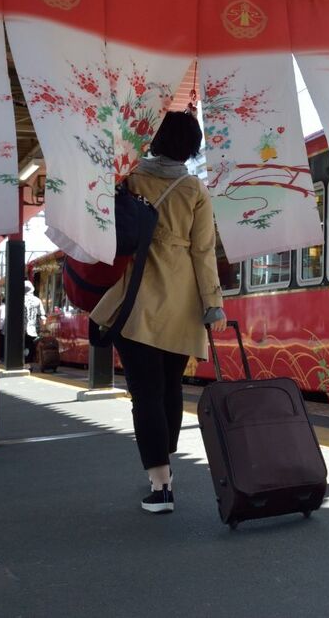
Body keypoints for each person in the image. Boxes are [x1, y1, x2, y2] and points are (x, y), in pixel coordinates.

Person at [91, 111, 226, 514]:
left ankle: (161, 484)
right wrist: (213, 304)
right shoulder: (194, 190)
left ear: (155, 140)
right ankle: (166, 466)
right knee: (169, 391)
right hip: (181, 301)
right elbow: (203, 252)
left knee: (144, 395)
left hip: (137, 300)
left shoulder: (131, 178)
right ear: (191, 147)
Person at [23, 281, 42, 364]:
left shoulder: (20, 299)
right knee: (30, 346)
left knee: (23, 346)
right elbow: (42, 315)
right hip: (32, 329)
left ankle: (24, 361)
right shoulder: (37, 300)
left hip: (21, 329)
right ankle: (28, 363)